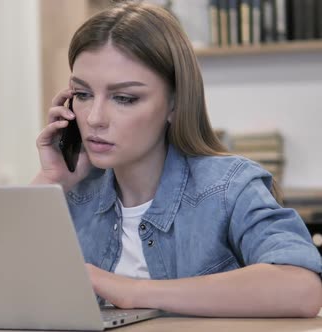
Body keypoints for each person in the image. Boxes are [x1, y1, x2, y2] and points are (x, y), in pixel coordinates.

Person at [32, 1, 322, 318]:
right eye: (83, 94)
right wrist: (49, 181)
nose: (95, 118)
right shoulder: (72, 191)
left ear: (174, 103)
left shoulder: (228, 186)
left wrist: (131, 290)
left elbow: (301, 288)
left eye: (124, 98)